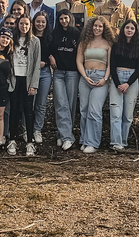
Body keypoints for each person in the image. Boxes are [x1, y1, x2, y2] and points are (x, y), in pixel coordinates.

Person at [76, 16, 113, 153]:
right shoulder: (84, 43)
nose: (97, 28)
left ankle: (93, 142)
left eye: (100, 26)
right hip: (86, 77)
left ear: (104, 28)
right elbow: (79, 61)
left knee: (94, 110)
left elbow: (110, 64)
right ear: (91, 27)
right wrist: (84, 76)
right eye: (95, 26)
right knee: (84, 110)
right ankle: (84, 140)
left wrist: (105, 78)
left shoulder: (108, 44)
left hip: (100, 78)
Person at [7, 16, 41, 156]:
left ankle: (30, 143)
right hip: (14, 80)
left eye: (26, 24)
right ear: (17, 25)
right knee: (14, 109)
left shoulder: (35, 41)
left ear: (30, 25)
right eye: (21, 23)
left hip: (27, 81)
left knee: (28, 110)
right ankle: (12, 140)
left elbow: (37, 64)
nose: (24, 26)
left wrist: (34, 84)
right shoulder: (12, 39)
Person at [109, 19, 139, 151]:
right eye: (127, 28)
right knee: (116, 112)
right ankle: (115, 142)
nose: (129, 30)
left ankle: (123, 141)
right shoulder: (116, 45)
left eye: (132, 28)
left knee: (128, 115)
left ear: (135, 31)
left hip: (132, 81)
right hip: (117, 78)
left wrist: (128, 84)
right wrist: (118, 84)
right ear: (123, 29)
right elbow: (112, 66)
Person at [50, 10, 81, 149]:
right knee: (60, 103)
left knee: (70, 104)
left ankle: (62, 134)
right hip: (58, 72)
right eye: (61, 18)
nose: (63, 21)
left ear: (70, 18)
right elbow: (48, 47)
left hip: (72, 72)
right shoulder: (54, 33)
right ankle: (67, 137)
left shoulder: (76, 34)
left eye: (66, 18)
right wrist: (50, 56)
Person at [31, 11, 54, 144]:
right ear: (34, 22)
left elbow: (52, 53)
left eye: (43, 22)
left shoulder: (49, 37)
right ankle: (27, 129)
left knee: (41, 104)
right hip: (30, 73)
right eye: (38, 21)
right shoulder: (30, 37)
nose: (40, 24)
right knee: (30, 103)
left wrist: (47, 59)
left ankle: (37, 130)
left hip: (45, 73)